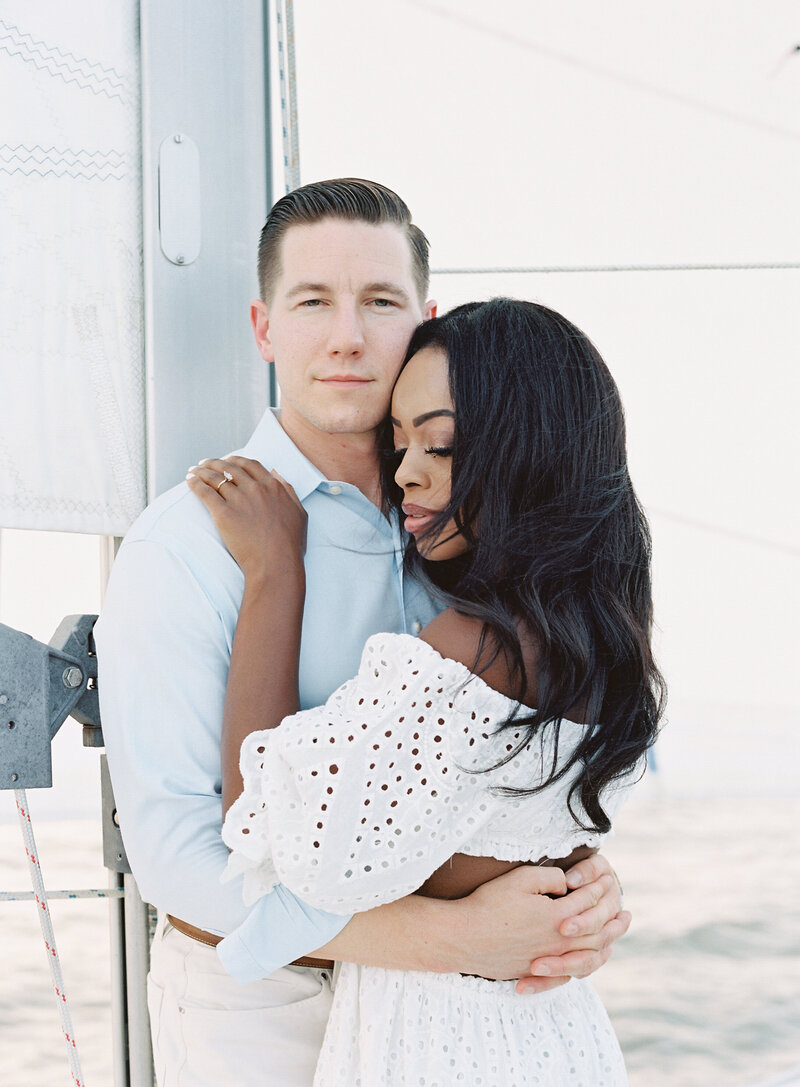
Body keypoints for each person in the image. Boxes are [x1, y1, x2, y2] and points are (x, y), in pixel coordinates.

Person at [95, 180, 630, 1087]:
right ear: (266, 329)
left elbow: (495, 765)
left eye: (378, 302)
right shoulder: (181, 545)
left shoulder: (469, 526)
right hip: (264, 1003)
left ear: (424, 322)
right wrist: (450, 936)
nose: (347, 335)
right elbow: (181, 860)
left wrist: (577, 881)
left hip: (449, 1018)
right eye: (313, 302)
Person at [189, 297, 665, 1085]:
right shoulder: (594, 647)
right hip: (555, 1039)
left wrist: (275, 571)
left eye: (437, 444)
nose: (406, 469)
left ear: (530, 450)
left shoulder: (470, 655)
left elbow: (263, 825)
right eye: (398, 440)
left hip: (445, 1049)